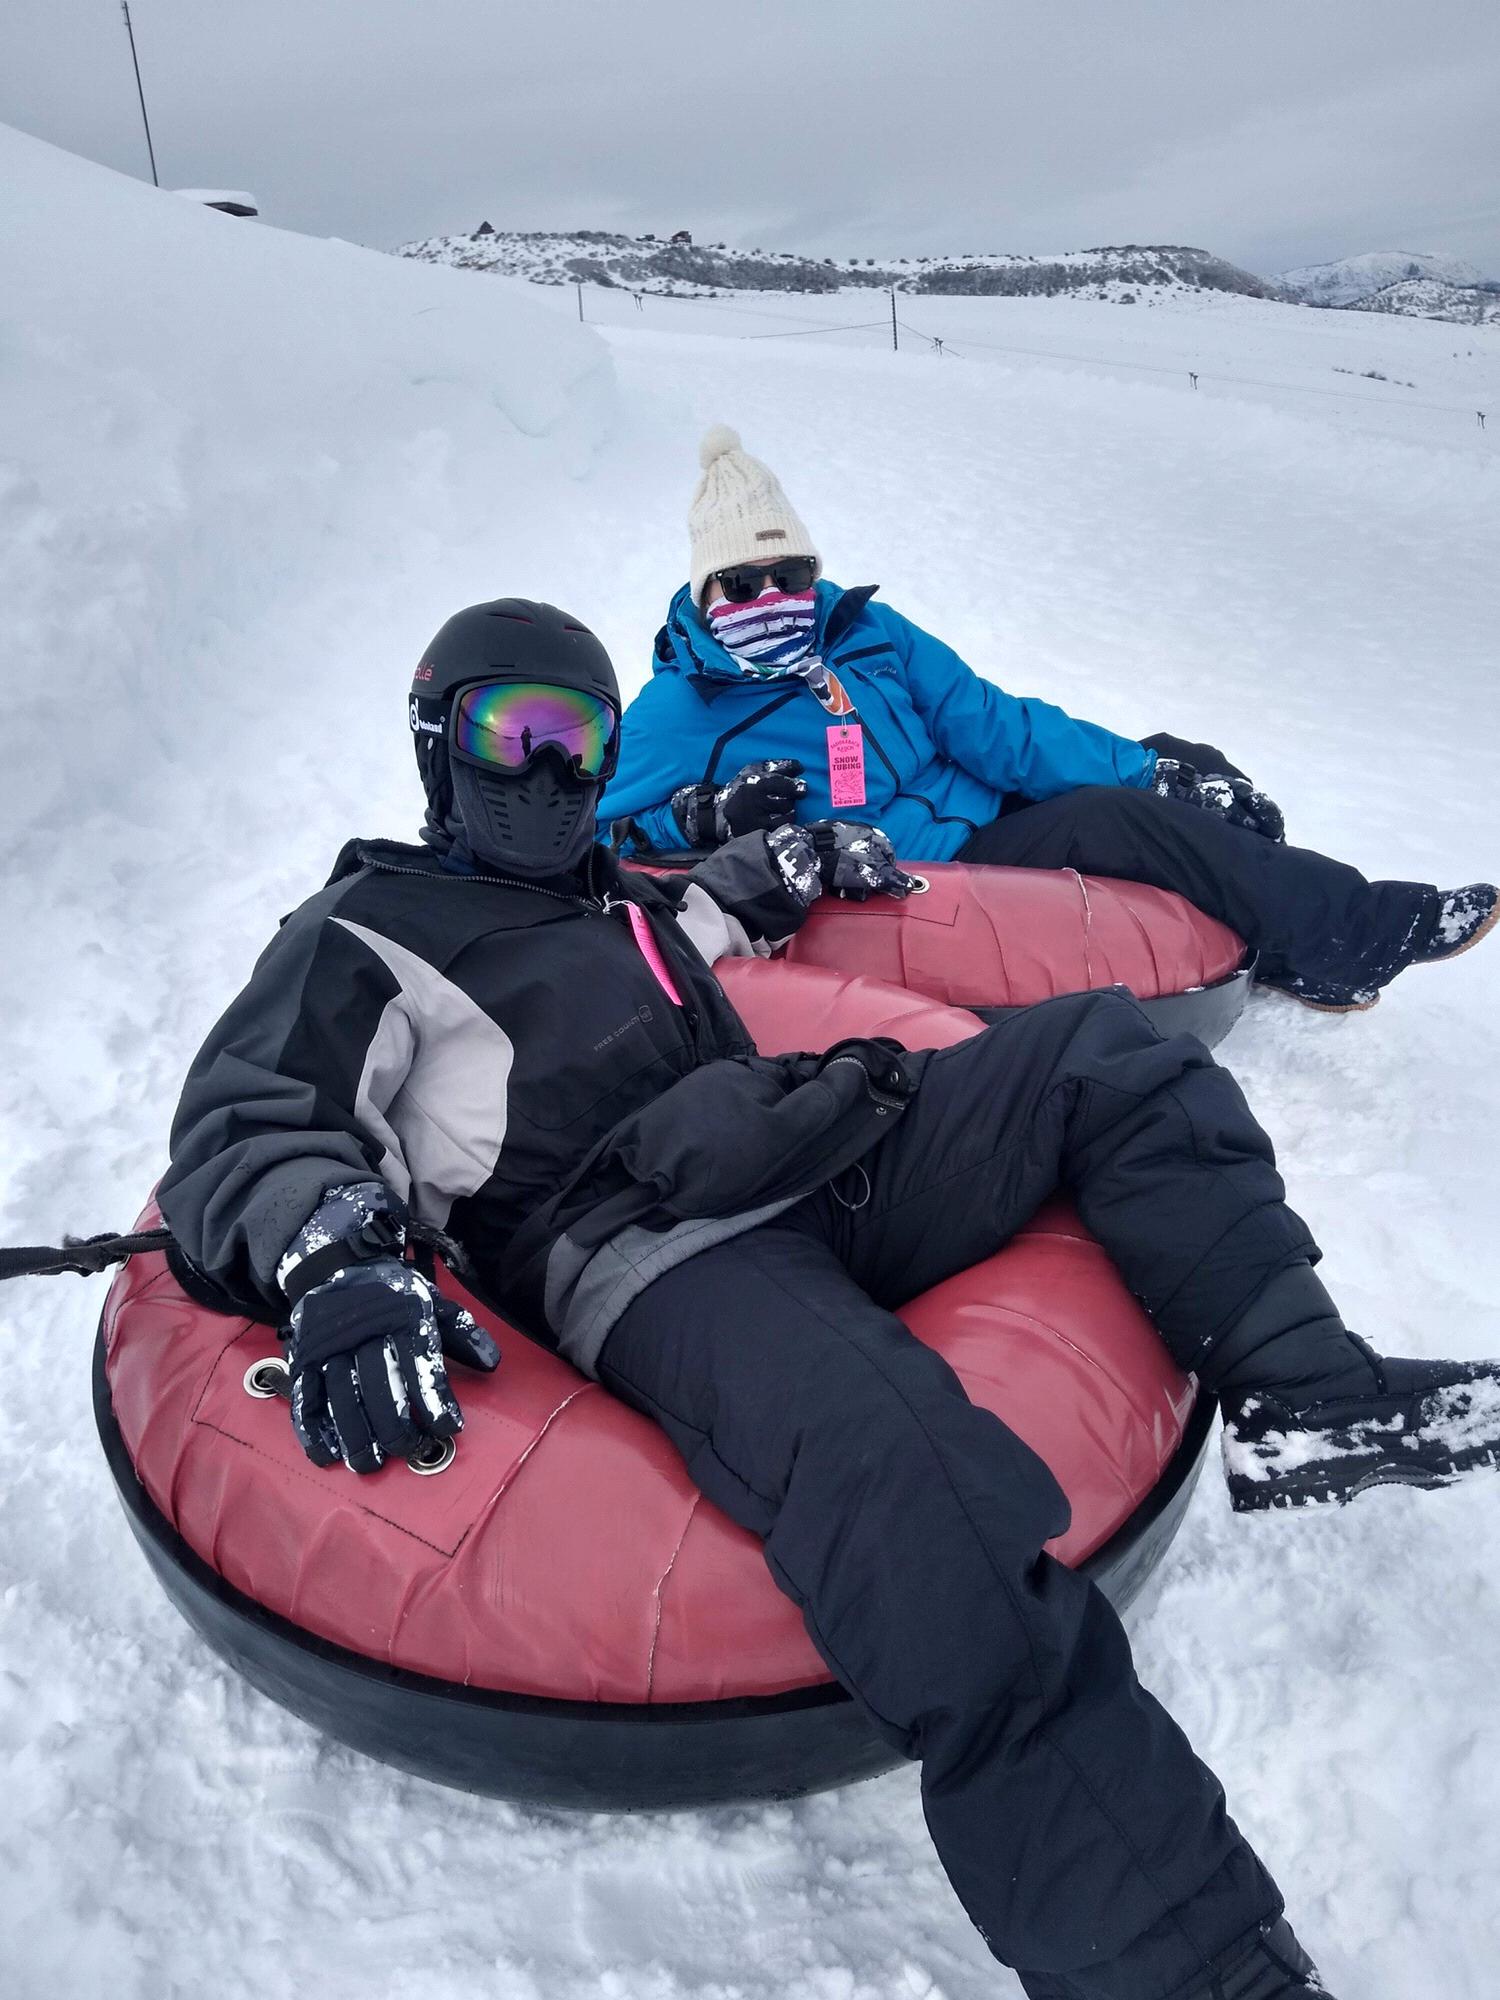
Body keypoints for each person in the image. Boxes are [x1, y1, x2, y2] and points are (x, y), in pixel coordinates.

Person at [159, 597, 1500, 2000]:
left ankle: (1305, 1395)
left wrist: (794, 857)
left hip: (810, 1144)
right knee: (914, 1474)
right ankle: (1189, 1964)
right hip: (652, 1247)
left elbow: (712, 898)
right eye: (517, 732)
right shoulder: (364, 934)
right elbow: (251, 1125)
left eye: (582, 739)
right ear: (442, 746)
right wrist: (335, 1250)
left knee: (1106, 1054)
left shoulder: (610, 885)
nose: (553, 772)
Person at [602, 426, 1497, 1013]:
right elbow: (598, 826)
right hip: (929, 870)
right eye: (744, 584)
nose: (774, 598)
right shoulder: (683, 711)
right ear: (704, 592)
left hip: (985, 804)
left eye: (790, 575)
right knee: (1127, 820)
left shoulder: (860, 631)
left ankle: (1284, 931)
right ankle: (1360, 934)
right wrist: (702, 816)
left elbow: (990, 722)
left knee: (1179, 759)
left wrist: (1153, 768)